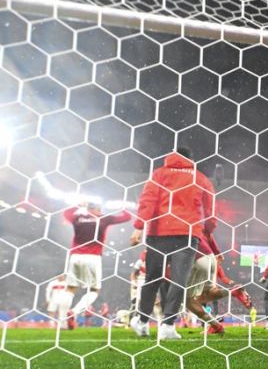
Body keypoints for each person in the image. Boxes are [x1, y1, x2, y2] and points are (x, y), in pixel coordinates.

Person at [129, 146, 216, 340]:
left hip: (159, 234)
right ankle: (167, 326)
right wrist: (208, 231)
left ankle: (141, 321)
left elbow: (148, 200)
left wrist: (138, 227)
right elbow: (210, 211)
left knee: (153, 278)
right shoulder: (200, 178)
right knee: (179, 281)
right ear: (190, 159)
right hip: (186, 235)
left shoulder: (159, 174)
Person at [59, 202, 131, 330]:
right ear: (98, 209)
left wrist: (78, 205)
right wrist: (122, 207)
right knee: (94, 290)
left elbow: (66, 213)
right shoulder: (104, 218)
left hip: (75, 257)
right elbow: (127, 217)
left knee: (70, 289)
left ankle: (62, 323)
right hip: (93, 257)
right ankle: (74, 312)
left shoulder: (77, 218)